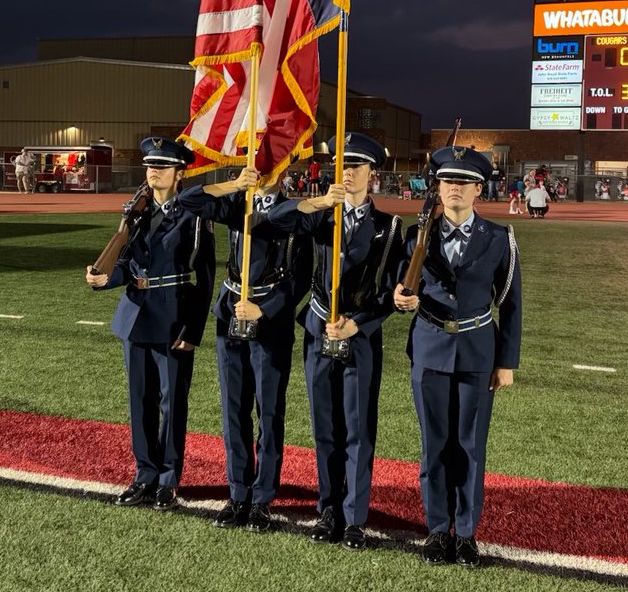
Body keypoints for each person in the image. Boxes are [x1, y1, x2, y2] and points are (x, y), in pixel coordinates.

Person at [266, 133, 404, 551]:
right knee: (324, 427)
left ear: (372, 174)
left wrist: (359, 323)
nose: (348, 173)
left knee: (359, 430)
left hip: (358, 338)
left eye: (357, 167)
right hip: (317, 330)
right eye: (342, 166)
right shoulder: (320, 216)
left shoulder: (389, 227)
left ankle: (355, 517)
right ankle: (328, 509)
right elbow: (275, 219)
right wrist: (322, 201)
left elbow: (392, 293)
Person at [393, 146, 521, 569]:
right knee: (434, 447)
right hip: (429, 349)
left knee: (470, 447)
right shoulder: (416, 236)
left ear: (478, 189)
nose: (455, 189)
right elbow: (398, 286)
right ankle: (436, 528)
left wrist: (507, 362)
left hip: (477, 352)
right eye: (448, 181)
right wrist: (399, 298)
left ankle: (465, 533)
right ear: (438, 187)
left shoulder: (500, 238)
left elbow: (511, 304)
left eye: (464, 182)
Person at [178, 166, 311, 532]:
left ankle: (263, 499)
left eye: (273, 161)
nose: (264, 166)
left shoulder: (297, 212)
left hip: (270, 320)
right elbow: (188, 200)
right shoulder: (237, 202)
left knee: (269, 413)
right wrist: (234, 185)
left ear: (285, 170)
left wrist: (264, 310)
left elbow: (302, 276)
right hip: (231, 314)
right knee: (233, 409)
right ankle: (238, 493)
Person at [86, 137, 215, 511]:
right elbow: (125, 262)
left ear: (180, 174)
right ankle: (144, 474)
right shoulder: (136, 212)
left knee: (172, 402)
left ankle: (168, 479)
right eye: (150, 165)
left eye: (162, 165)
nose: (153, 170)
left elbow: (204, 277)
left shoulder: (195, 215)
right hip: (135, 314)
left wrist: (192, 331)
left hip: (174, 315)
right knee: (140, 401)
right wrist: (104, 278)